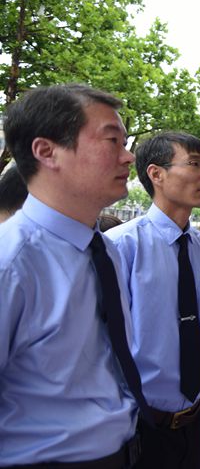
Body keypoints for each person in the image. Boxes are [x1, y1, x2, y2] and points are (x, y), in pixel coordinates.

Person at [0, 84, 145, 466]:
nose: (128, 156)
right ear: (46, 151)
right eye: (112, 141)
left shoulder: (104, 250)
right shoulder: (11, 263)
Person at [107, 131, 200, 469]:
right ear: (156, 174)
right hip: (139, 423)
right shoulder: (120, 245)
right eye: (194, 164)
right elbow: (107, 341)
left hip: (194, 416)